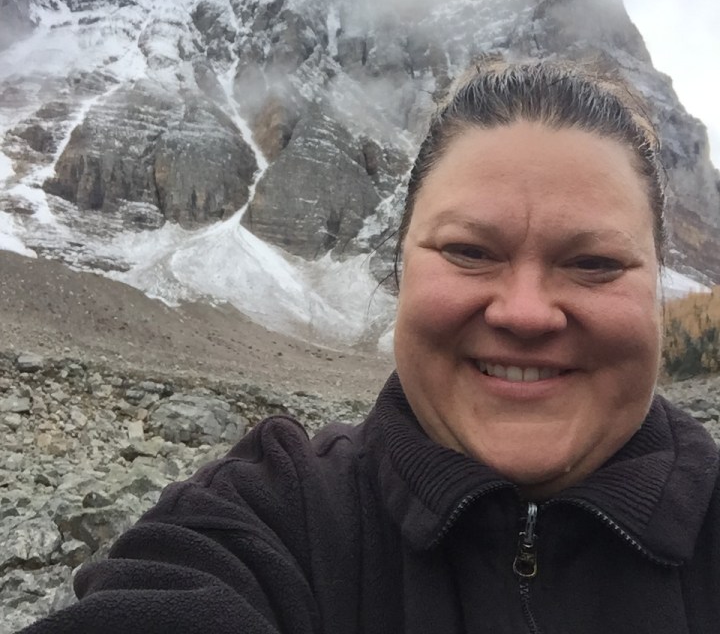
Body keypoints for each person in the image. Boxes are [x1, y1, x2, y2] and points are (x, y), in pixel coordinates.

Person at [21, 59, 720, 633]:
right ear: (398, 268)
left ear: (659, 285)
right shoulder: (271, 518)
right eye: (470, 251)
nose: (526, 313)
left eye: (595, 263)